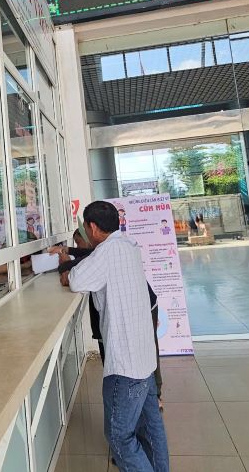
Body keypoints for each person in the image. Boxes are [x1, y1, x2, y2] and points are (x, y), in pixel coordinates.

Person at [67, 201, 169, 472]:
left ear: (91, 227)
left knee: (119, 437)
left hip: (126, 364)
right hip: (145, 357)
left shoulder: (107, 252)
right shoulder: (127, 245)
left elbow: (76, 280)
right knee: (150, 428)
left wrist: (66, 266)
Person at [53, 230, 165, 411]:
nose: (79, 247)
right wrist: (67, 250)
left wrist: (65, 263)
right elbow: (82, 254)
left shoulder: (104, 253)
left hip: (144, 305)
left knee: (146, 347)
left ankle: (154, 394)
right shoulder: (113, 246)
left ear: (92, 232)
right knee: (141, 350)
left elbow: (71, 276)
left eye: (80, 242)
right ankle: (148, 397)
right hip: (132, 304)